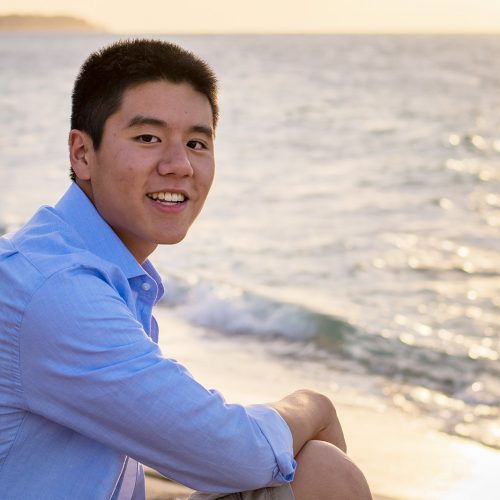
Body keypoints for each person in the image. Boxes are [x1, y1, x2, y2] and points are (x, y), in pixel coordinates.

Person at [0, 39, 372, 500]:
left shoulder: (91, 268)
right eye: (148, 138)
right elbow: (234, 452)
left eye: (197, 143)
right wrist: (314, 406)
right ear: (82, 154)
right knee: (323, 474)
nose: (179, 166)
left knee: (315, 469)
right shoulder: (53, 290)